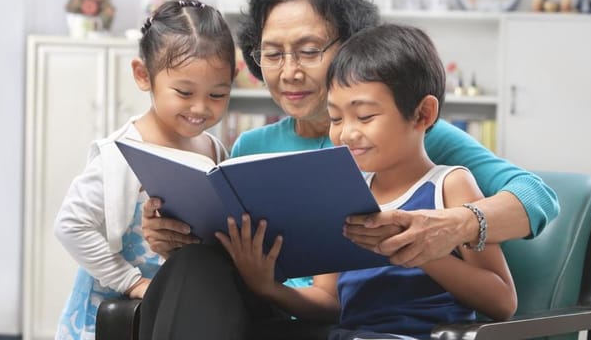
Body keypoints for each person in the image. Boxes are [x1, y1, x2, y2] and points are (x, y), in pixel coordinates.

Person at [138, 0, 558, 339]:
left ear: (351, 47)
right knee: (192, 265)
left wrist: (452, 227)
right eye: (272, 54)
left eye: (308, 50)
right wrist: (176, 236)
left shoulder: (416, 136)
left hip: (344, 325)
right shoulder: (252, 145)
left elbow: (538, 197)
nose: (290, 71)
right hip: (279, 311)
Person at [217, 22, 518, 339]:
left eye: (364, 117)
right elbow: (329, 301)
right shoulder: (343, 191)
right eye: (335, 118)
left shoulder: (450, 185)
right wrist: (268, 288)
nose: (346, 133)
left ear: (422, 115)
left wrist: (421, 251)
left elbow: (502, 302)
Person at [53, 0, 236, 340]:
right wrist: (131, 281)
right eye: (184, 92)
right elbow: (70, 225)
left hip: (177, 312)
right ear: (143, 75)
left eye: (217, 94)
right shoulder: (122, 152)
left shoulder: (213, 149)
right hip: (114, 317)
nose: (200, 107)